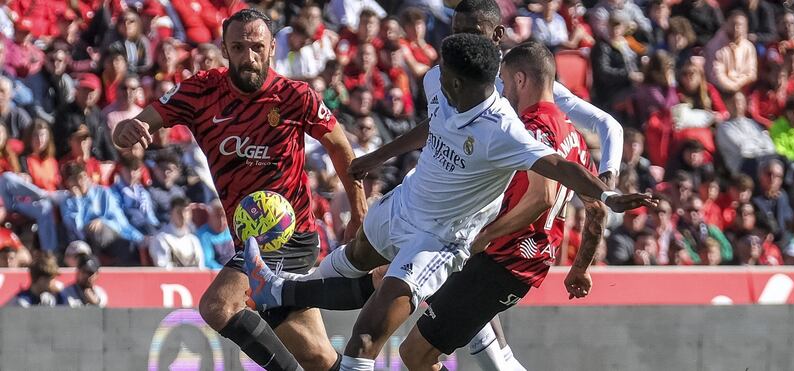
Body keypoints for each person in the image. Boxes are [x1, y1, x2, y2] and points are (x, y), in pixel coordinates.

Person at [243, 33, 653, 371]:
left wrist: (607, 193)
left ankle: (279, 291)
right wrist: (375, 157)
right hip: (409, 206)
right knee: (361, 268)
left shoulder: (506, 130)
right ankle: (277, 291)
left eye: (444, 78)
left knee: (372, 337)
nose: (435, 81)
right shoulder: (447, 90)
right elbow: (432, 127)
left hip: (446, 240)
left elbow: (556, 170)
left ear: (459, 84)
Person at [112, 9, 368, 371]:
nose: (249, 57)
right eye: (239, 47)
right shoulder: (201, 91)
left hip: (287, 234)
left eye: (257, 47)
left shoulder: (295, 96)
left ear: (271, 49)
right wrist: (126, 127)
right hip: (247, 239)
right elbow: (139, 123)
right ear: (224, 48)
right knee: (318, 357)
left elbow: (342, 149)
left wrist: (359, 214)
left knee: (218, 306)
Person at [398, 41, 609, 371]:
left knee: (414, 353)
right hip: (521, 264)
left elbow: (543, 197)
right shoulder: (575, 138)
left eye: (507, 82)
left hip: (501, 260)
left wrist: (486, 235)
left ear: (521, 80)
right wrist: (580, 268)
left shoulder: (533, 129)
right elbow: (597, 210)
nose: (505, 91)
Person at [60, 163, 144, 266]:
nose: (80, 182)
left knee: (118, 240)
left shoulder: (103, 193)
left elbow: (120, 220)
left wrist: (102, 221)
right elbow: (76, 228)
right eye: (74, 179)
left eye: (82, 177)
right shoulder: (67, 202)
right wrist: (77, 201)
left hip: (109, 235)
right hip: (83, 241)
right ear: (68, 183)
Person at [148, 196, 204, 268]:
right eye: (179, 211)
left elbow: (201, 268)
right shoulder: (161, 239)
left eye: (186, 211)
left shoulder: (193, 240)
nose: (183, 215)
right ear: (171, 213)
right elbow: (163, 268)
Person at [196, 199, 235, 270]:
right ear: (210, 216)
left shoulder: (232, 230)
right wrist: (226, 271)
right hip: (218, 275)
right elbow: (208, 262)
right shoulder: (204, 234)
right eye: (218, 216)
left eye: (224, 216)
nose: (222, 220)